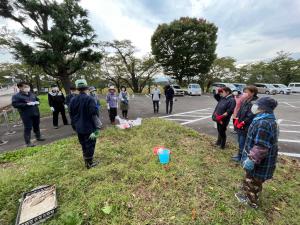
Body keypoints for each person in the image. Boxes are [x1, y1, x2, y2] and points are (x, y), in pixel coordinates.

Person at [235, 97, 278, 209]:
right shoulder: (264, 119)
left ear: (262, 108)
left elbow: (261, 147)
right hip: (257, 159)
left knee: (254, 182)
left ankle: (251, 203)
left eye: (257, 105)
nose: (254, 106)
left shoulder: (263, 123)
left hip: (259, 161)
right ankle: (247, 194)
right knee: (251, 180)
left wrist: (251, 161)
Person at [69, 79, 102, 169]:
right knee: (90, 144)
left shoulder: (73, 100)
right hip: (89, 127)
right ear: (86, 88)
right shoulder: (89, 99)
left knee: (83, 143)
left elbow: (71, 114)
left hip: (78, 127)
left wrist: (74, 126)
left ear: (77, 89)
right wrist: (98, 126)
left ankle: (86, 161)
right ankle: (89, 163)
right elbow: (94, 113)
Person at [12, 82, 45, 147]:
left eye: (27, 86)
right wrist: (26, 104)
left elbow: (38, 100)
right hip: (26, 115)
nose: (27, 88)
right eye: (25, 87)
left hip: (35, 113)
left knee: (36, 125)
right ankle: (28, 142)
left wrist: (37, 102)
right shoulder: (17, 96)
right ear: (20, 87)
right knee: (28, 128)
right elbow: (15, 104)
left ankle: (38, 137)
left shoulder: (31, 94)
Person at [232, 86, 259, 162]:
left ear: (252, 93)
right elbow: (240, 110)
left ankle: (243, 158)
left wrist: (243, 122)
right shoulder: (245, 100)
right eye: (244, 92)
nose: (245, 93)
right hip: (240, 124)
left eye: (247, 92)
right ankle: (239, 155)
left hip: (247, 126)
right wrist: (237, 119)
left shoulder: (255, 102)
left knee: (243, 142)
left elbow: (251, 114)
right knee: (239, 140)